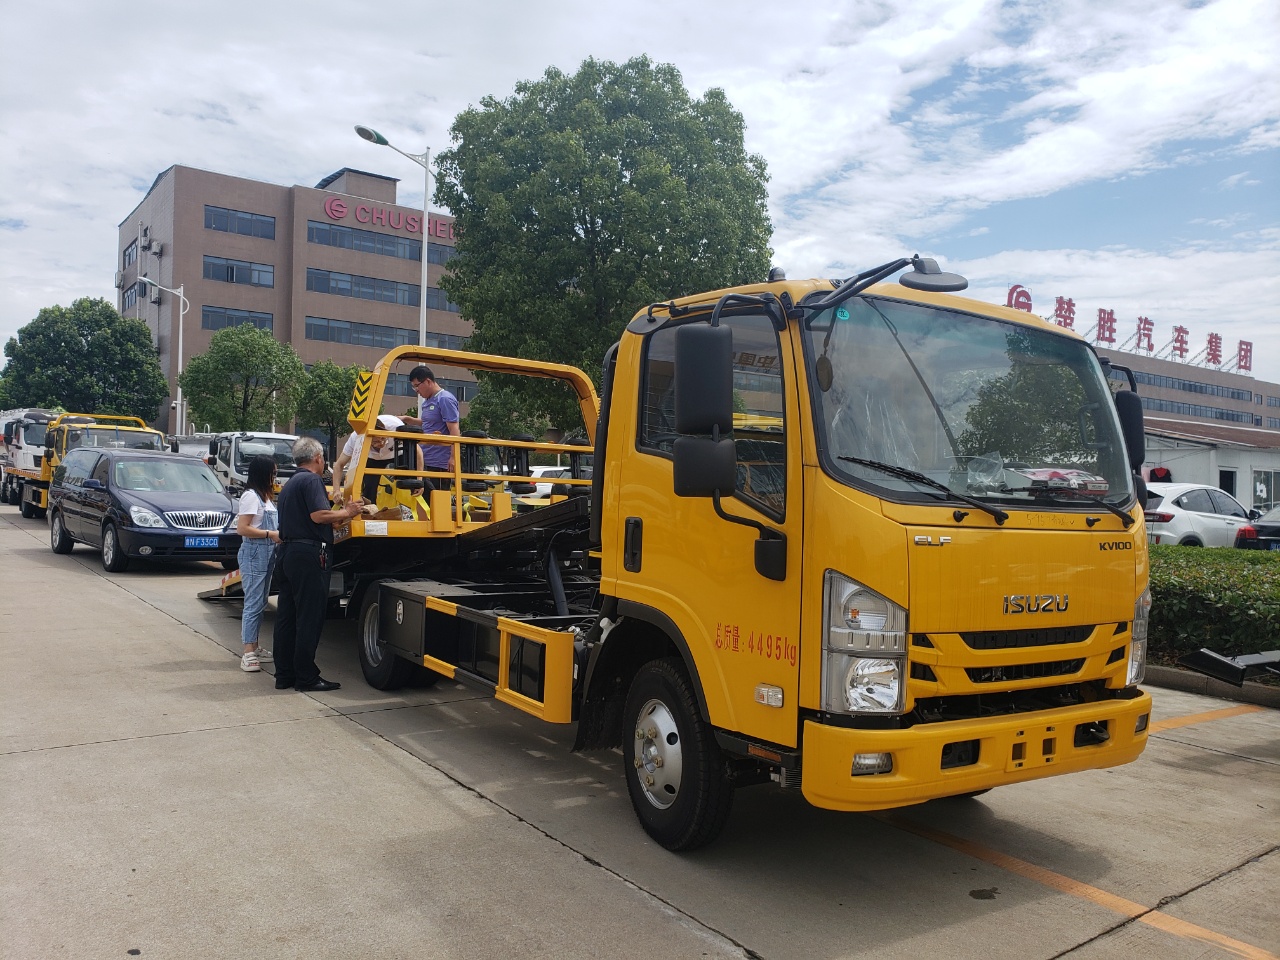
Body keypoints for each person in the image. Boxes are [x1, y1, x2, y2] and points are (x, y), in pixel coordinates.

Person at [272, 437, 364, 692]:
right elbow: (318, 516)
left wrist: (338, 514)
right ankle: (306, 677)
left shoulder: (290, 484)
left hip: (288, 552)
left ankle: (284, 675)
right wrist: (348, 512)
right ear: (318, 458)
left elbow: (314, 517)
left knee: (287, 616)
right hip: (309, 554)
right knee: (309, 618)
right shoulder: (312, 480)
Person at [234, 454, 281, 672]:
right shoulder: (251, 497)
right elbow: (243, 528)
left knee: (261, 602)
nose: (275, 477)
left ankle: (255, 645)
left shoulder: (266, 497)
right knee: (253, 603)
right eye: (273, 473)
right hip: (255, 552)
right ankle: (247, 652)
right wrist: (269, 533)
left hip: (268, 552)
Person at [331, 414, 422, 505]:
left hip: (398, 454)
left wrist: (420, 479)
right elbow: (339, 465)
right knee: (369, 488)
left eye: (383, 438)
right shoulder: (356, 438)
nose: (381, 443)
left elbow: (418, 452)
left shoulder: (395, 427)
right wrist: (336, 490)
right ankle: (370, 512)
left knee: (417, 484)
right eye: (376, 441)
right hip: (372, 458)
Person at [402, 365, 461, 485]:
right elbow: (430, 423)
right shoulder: (428, 401)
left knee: (436, 499)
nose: (416, 391)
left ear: (428, 381)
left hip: (438, 462)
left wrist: (454, 458)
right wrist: (409, 419)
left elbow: (454, 429)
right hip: (425, 459)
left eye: (417, 386)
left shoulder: (444, 399)